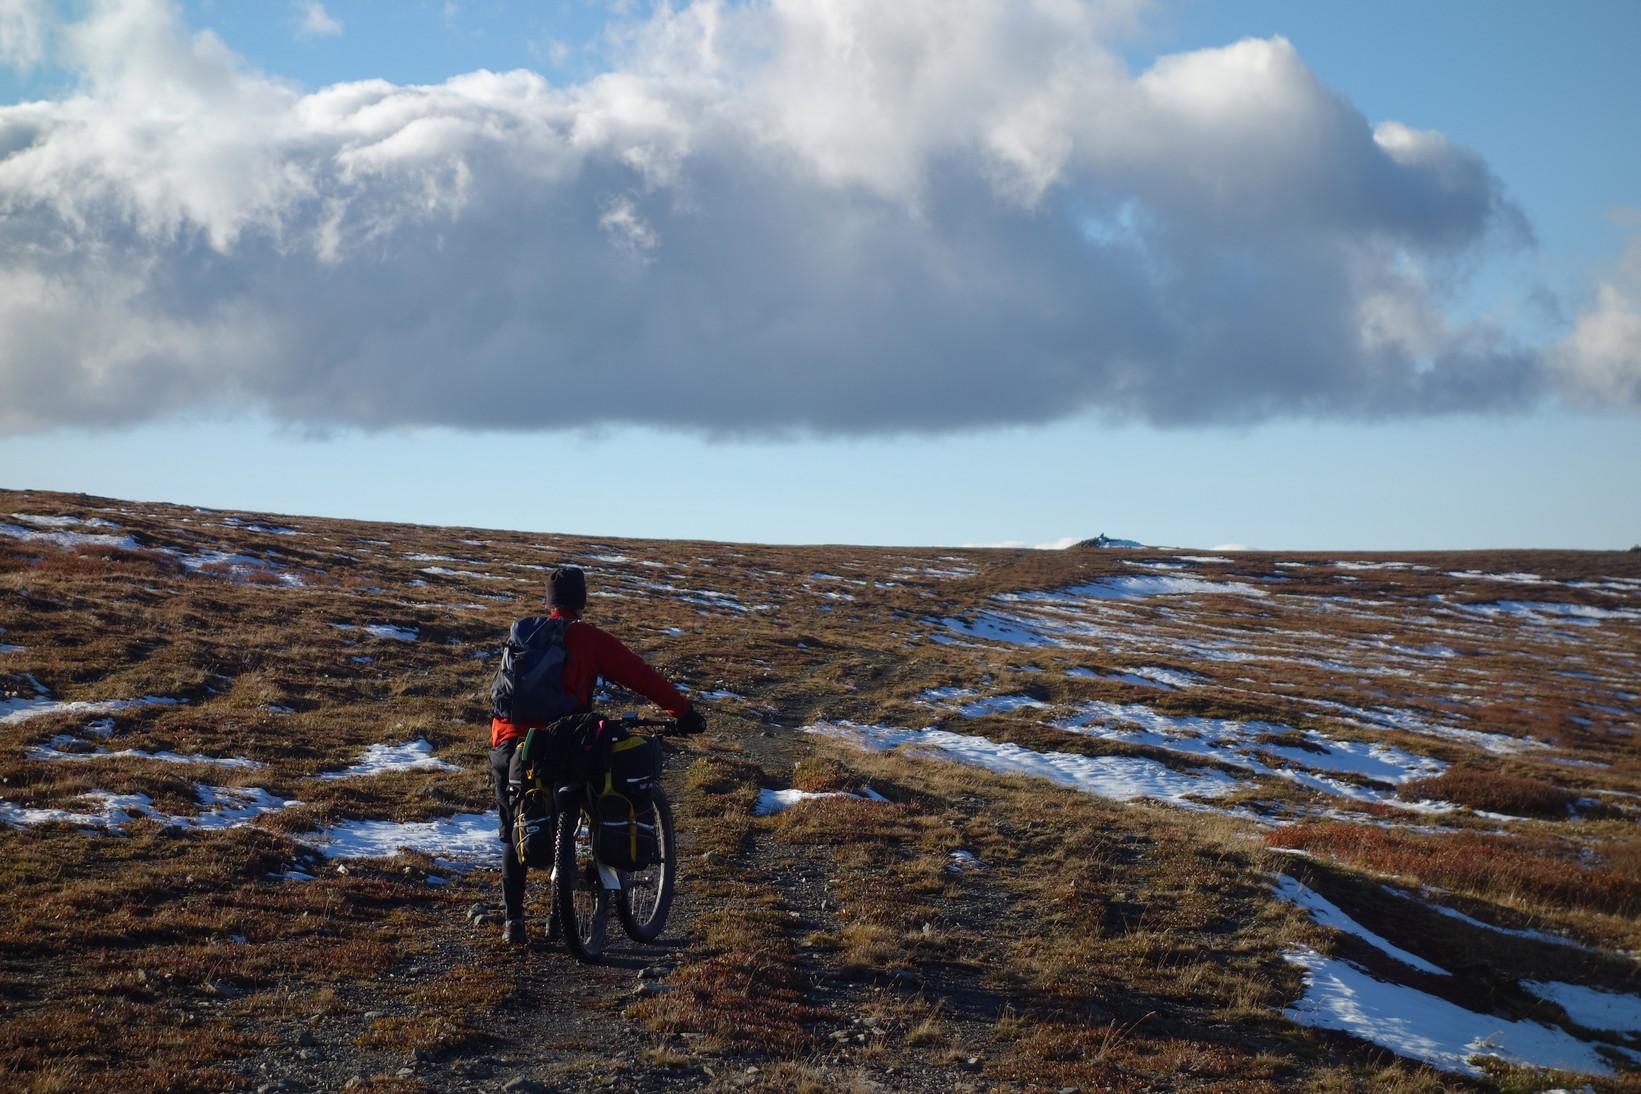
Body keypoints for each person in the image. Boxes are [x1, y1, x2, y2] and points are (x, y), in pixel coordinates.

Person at [489, 566, 705, 944]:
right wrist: (684, 713)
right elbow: (642, 676)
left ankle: (514, 924)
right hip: (561, 743)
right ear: (582, 601)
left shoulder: (522, 634)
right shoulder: (589, 638)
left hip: (509, 743)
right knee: (574, 812)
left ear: (549, 600)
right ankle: (560, 917)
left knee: (513, 831)